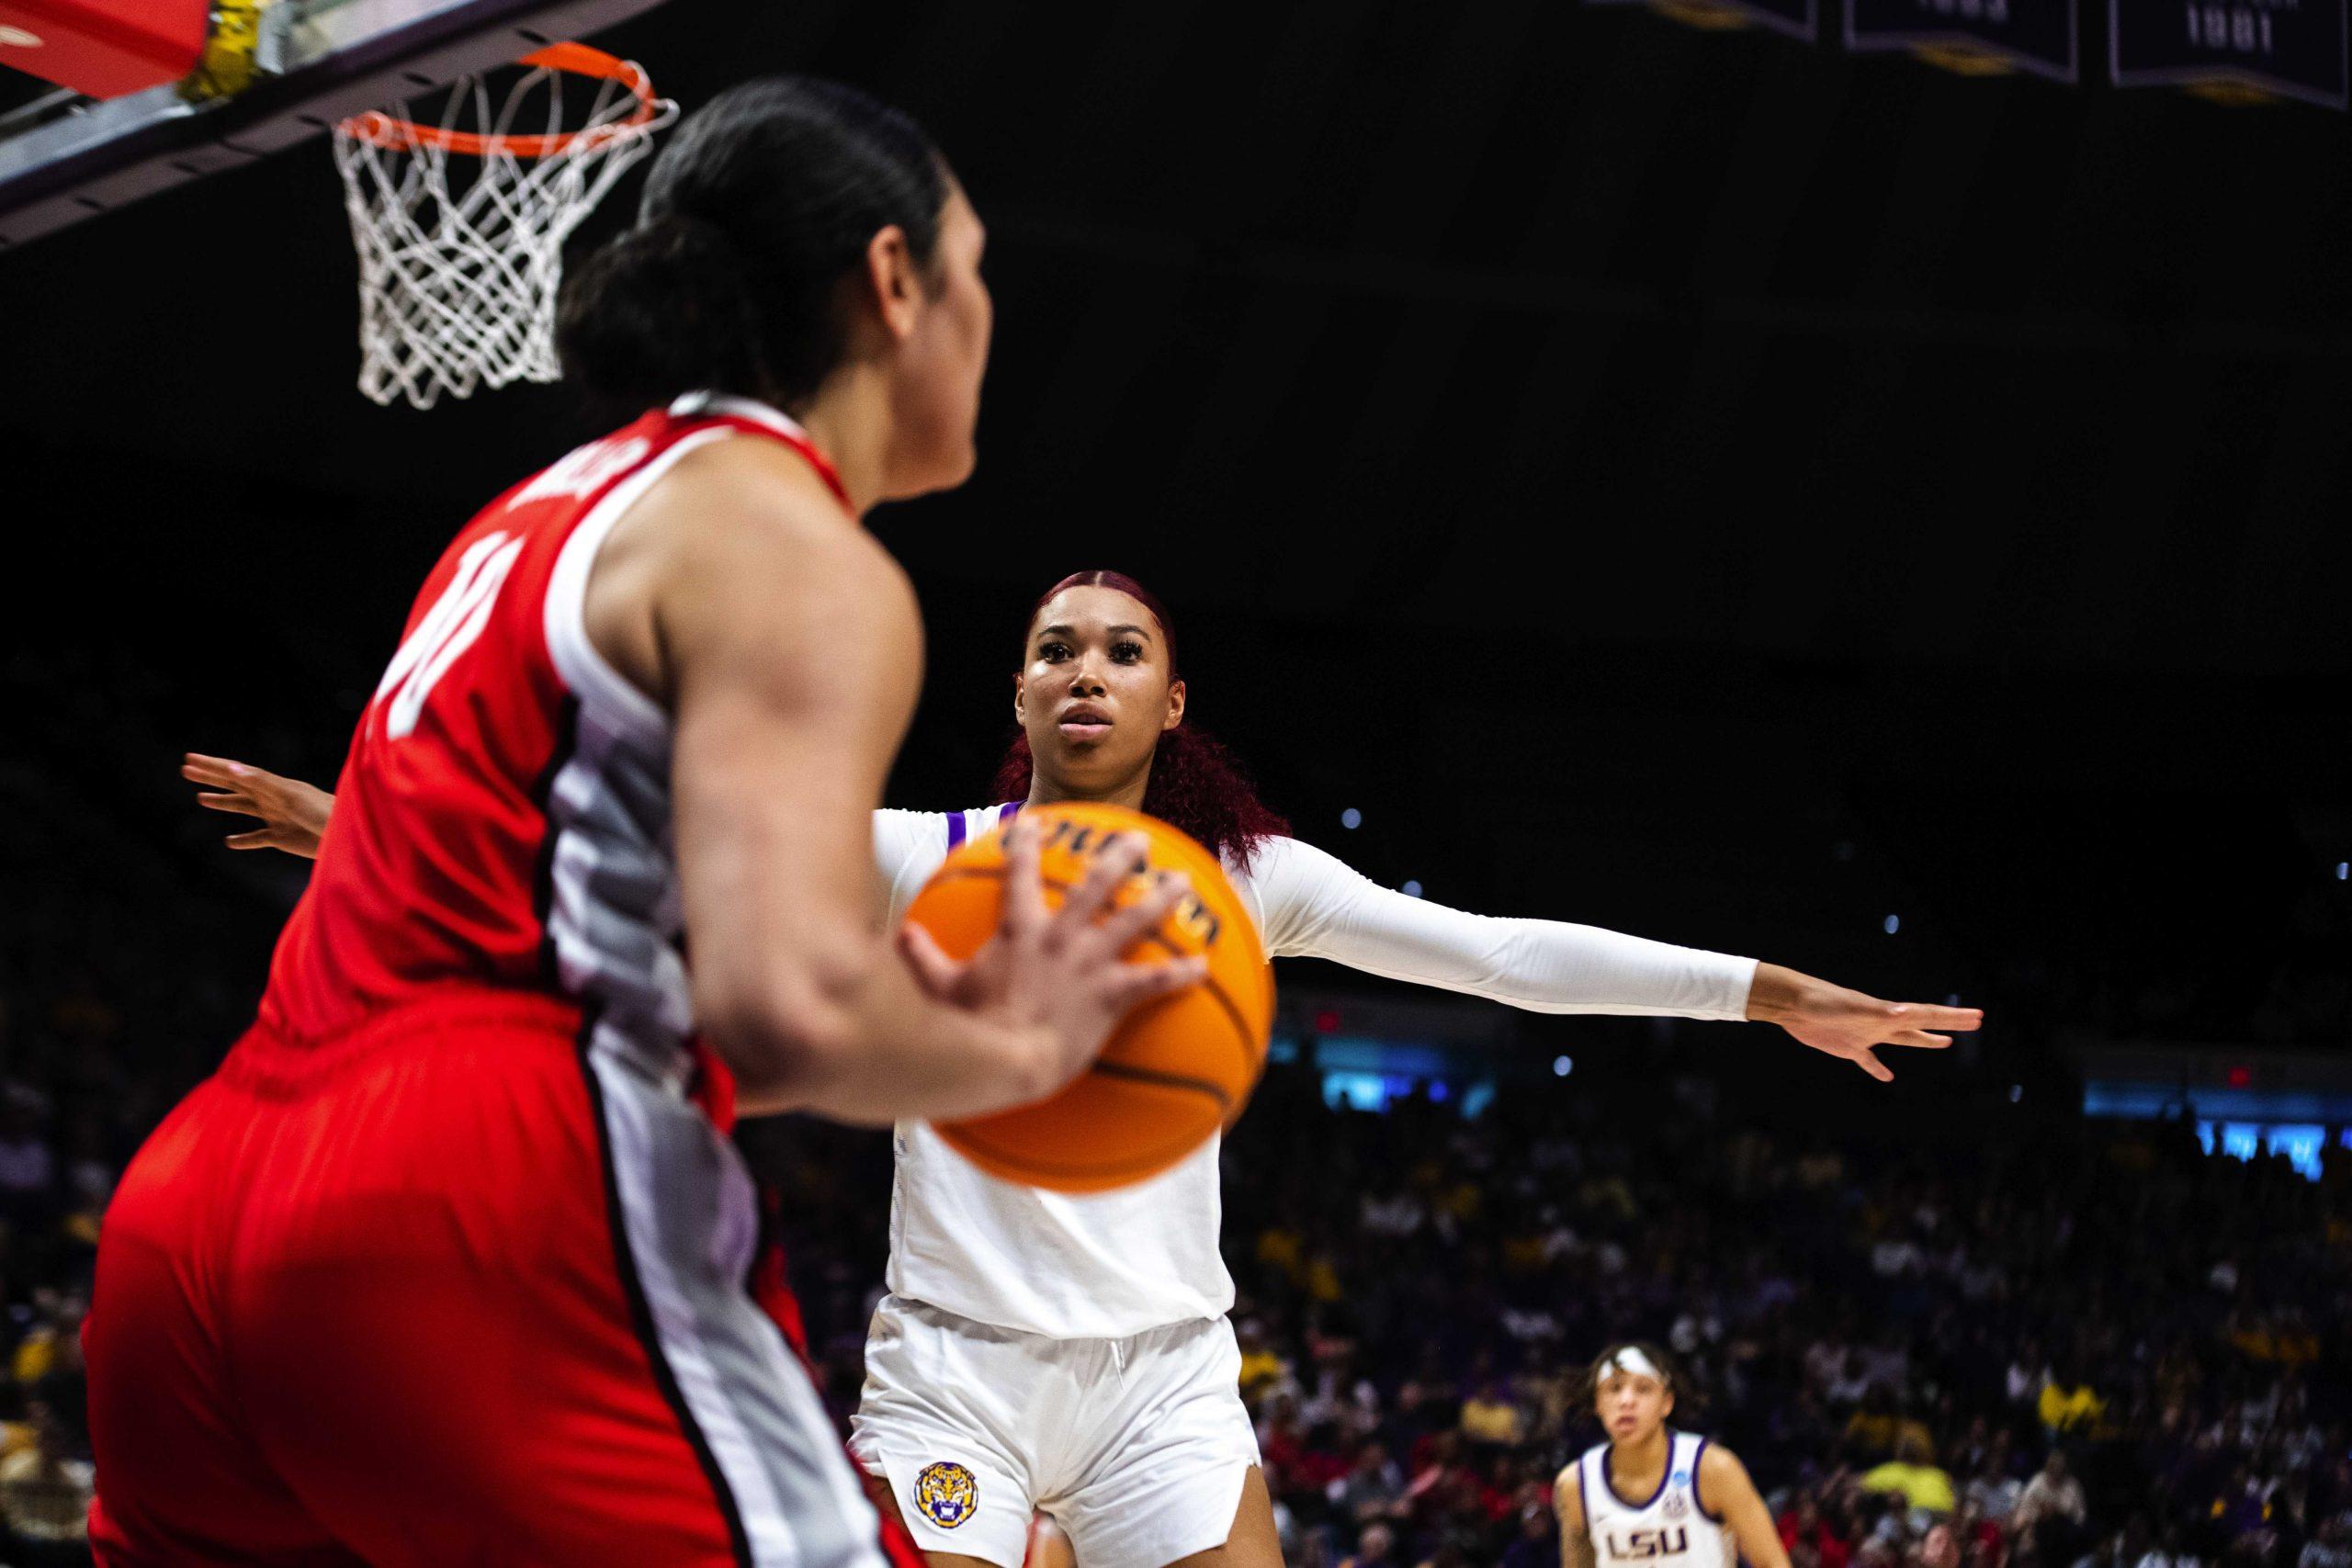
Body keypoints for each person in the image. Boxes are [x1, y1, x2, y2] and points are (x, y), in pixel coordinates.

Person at [187, 570, 1982, 1568]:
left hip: (1159, 1376)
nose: (1084, 669)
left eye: (1121, 648)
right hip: (954, 1371)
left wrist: (1762, 994)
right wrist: (364, 825)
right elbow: (638, 868)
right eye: (1054, 645)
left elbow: (1501, 952)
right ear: (1025, 689)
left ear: (1169, 700)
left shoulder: (1251, 884)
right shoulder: (934, 855)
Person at [91, 78, 1205, 1568]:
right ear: (891, 281)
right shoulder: (784, 535)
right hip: (472, 1193)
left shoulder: (532, 507)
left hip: (198, 1204)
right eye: (977, 269)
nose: (989, 315)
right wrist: (1030, 1039)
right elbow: (789, 1008)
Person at [1555, 1344, 1790, 1568]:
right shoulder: (1576, 1485)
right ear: (1597, 1403)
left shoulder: (1712, 1469)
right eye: (1614, 1388)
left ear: (1666, 1403)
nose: (1626, 1401)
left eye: (1643, 1388)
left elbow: (1772, 1563)